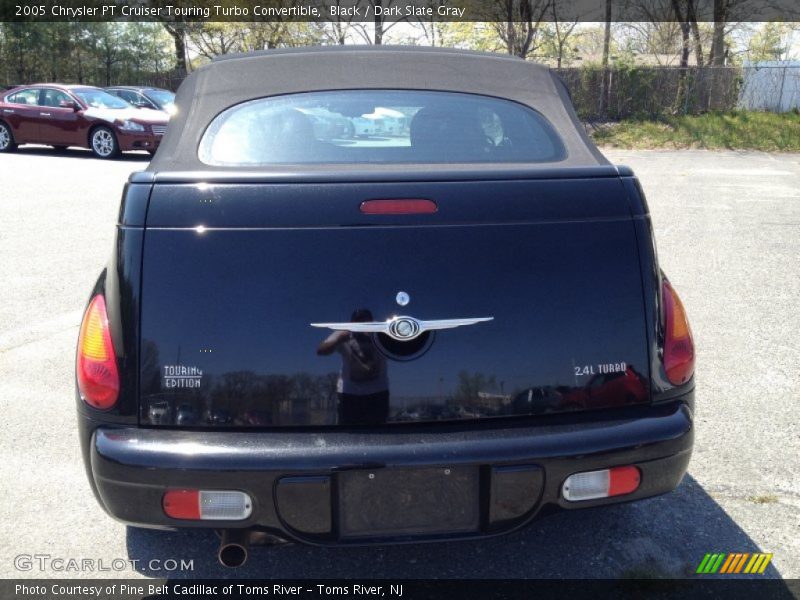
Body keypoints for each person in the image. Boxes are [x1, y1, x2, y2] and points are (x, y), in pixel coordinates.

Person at [317, 308, 390, 425]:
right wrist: (339, 340)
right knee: (347, 432)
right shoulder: (344, 332)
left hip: (377, 393)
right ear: (352, 324)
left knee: (378, 432)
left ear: (372, 323)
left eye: (366, 323)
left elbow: (401, 346)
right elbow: (321, 350)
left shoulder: (382, 332)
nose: (362, 326)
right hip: (349, 393)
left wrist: (381, 335)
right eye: (358, 323)